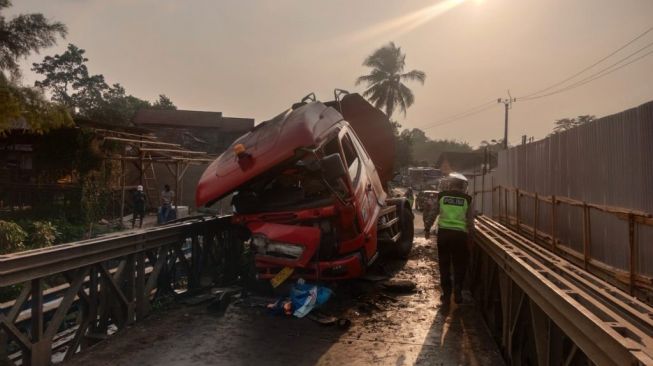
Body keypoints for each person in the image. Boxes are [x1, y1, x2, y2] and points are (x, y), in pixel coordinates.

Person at [432, 172, 474, 304]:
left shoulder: (442, 197)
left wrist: (427, 228)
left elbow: (433, 212)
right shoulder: (467, 199)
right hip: (460, 236)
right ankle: (458, 291)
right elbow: (470, 221)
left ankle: (446, 294)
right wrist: (471, 237)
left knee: (444, 265)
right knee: (459, 265)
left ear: (450, 184)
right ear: (462, 186)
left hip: (444, 235)